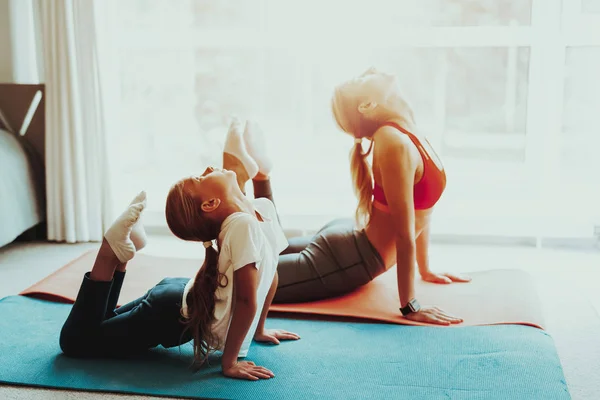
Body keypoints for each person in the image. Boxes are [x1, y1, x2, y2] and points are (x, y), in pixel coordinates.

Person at [58, 118, 300, 381]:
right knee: (75, 344)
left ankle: (119, 258)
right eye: (201, 177)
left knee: (95, 331)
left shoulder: (258, 211)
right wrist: (229, 363)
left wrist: (259, 330)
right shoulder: (246, 223)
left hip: (178, 299)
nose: (209, 168)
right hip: (168, 314)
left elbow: (270, 274)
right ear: (210, 203)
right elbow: (245, 299)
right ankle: (108, 255)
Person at [271, 67, 471, 326]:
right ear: (368, 104)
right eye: (362, 77)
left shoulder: (407, 131)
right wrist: (410, 306)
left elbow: (422, 211)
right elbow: (404, 232)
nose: (373, 71)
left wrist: (426, 268)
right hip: (350, 258)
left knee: (252, 262)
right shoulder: (392, 140)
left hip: (350, 243)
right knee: (235, 282)